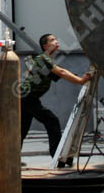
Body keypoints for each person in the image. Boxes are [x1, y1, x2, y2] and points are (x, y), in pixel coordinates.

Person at [19, 33, 94, 168]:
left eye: (56, 39)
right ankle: (58, 156)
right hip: (27, 98)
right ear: (45, 46)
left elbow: (61, 73)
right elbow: (62, 72)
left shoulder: (48, 61)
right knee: (52, 120)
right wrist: (81, 80)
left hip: (27, 98)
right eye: (52, 40)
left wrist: (79, 78)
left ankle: (11, 159)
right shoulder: (43, 58)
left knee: (22, 130)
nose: (56, 42)